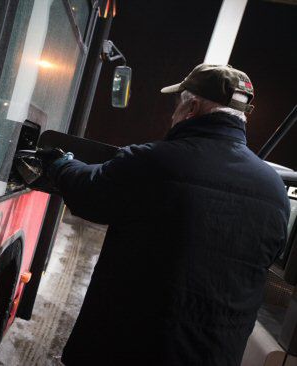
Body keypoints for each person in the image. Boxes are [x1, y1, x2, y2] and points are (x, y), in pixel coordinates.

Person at [40, 64, 290, 365]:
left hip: (127, 348)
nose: (173, 113)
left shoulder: (154, 161)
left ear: (191, 107)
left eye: (177, 103)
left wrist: (60, 164)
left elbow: (90, 195)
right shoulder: (276, 191)